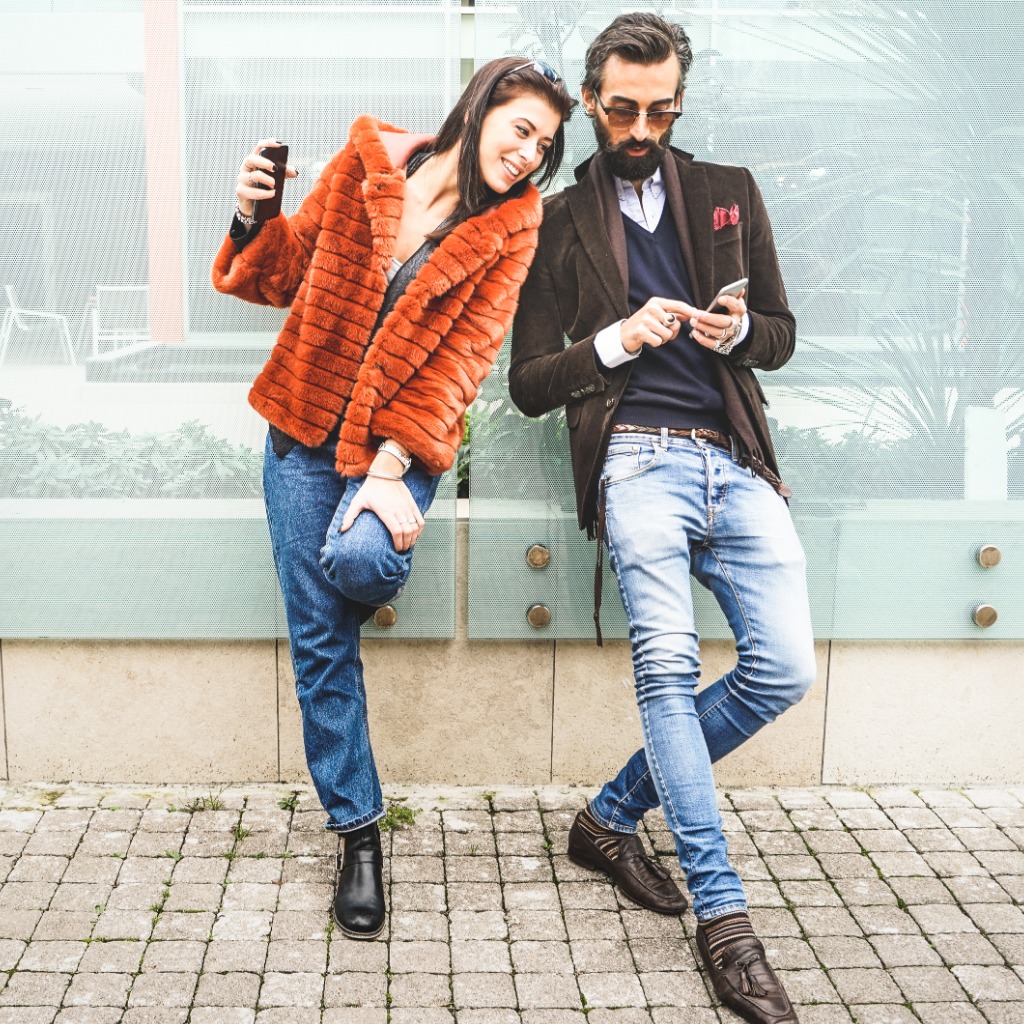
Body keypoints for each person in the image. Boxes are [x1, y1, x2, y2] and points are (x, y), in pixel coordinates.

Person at [213, 58, 574, 941]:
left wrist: (387, 469)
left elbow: (463, 361)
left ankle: (379, 543)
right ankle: (360, 834)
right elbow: (282, 274)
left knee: (362, 560)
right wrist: (252, 214)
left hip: (397, 443)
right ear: (484, 106)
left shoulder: (509, 230)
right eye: (522, 128)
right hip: (300, 432)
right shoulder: (367, 163)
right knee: (320, 644)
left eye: (547, 145)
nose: (531, 154)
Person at [509, 14, 814, 1024]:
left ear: (679, 99)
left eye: (661, 108)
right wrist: (612, 341)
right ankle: (724, 925)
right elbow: (526, 383)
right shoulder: (555, 222)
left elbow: (779, 332)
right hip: (634, 457)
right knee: (668, 668)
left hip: (734, 458)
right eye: (623, 108)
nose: (642, 126)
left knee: (782, 668)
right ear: (592, 102)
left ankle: (608, 818)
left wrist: (737, 331)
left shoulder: (728, 190)